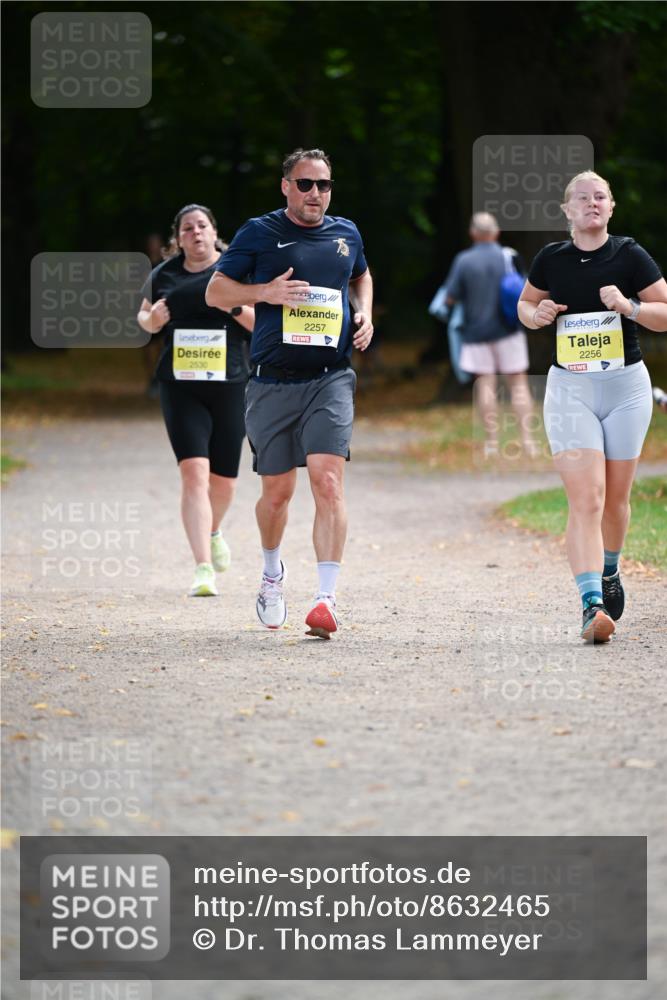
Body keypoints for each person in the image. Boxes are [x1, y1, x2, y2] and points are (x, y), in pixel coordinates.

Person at [206, 148, 373, 639]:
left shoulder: (347, 233)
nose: (315, 194)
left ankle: (326, 599)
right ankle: (272, 575)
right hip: (272, 381)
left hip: (331, 375)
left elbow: (361, 275)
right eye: (305, 184)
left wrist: (364, 313)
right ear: (285, 186)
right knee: (277, 494)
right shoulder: (259, 232)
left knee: (328, 481)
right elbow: (216, 292)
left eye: (323, 185)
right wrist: (264, 294)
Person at [518, 171, 667, 642]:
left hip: (626, 389)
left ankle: (609, 567)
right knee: (588, 499)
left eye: (600, 196)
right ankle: (590, 604)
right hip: (570, 390)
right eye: (582, 198)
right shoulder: (551, 259)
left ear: (612, 206)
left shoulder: (629, 254)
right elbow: (525, 304)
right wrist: (535, 315)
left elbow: (665, 312)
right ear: (567, 210)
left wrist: (630, 307)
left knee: (617, 501)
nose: (592, 203)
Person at [137, 204, 254, 597]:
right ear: (179, 238)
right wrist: (152, 320)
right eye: (188, 228)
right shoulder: (164, 274)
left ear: (214, 231)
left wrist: (233, 306)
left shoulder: (236, 269)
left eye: (202, 225)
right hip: (180, 385)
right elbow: (143, 318)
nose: (196, 233)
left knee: (225, 482)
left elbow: (262, 321)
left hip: (231, 383)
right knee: (194, 474)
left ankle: (214, 530)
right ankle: (203, 567)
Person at [446, 213, 536, 457]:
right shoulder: (510, 256)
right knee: (518, 385)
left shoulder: (463, 261)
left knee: (486, 385)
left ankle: (492, 444)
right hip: (510, 330)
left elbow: (450, 297)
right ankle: (528, 442)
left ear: (473, 234)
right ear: (496, 233)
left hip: (476, 333)